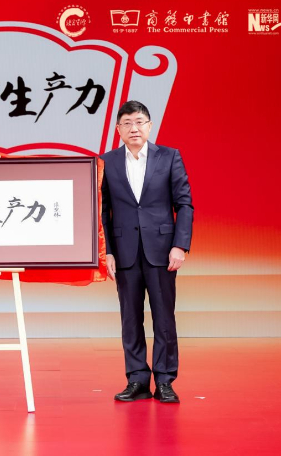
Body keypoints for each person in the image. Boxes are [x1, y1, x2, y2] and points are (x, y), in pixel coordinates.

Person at [100, 100, 193, 403]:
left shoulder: (169, 157)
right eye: (127, 123)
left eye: (139, 122)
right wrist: (107, 251)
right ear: (118, 129)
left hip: (162, 251)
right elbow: (102, 211)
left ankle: (165, 380)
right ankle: (137, 379)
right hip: (124, 251)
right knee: (130, 318)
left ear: (150, 126)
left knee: (164, 318)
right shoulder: (107, 162)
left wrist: (179, 245)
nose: (134, 128)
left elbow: (184, 204)